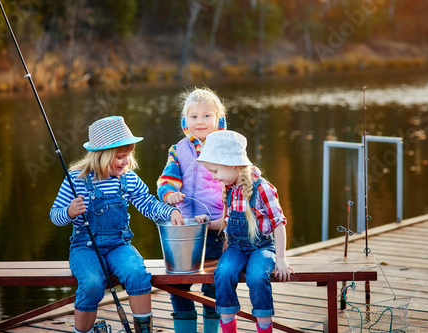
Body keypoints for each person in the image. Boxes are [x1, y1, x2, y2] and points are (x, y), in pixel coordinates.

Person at [50, 116, 184, 333]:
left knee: (137, 274)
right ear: (101, 156)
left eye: (128, 155)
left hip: (119, 245)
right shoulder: (75, 179)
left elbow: (148, 203)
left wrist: (171, 211)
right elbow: (55, 215)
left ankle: (143, 330)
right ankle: (82, 331)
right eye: (120, 157)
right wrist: (69, 212)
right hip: (85, 247)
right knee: (92, 283)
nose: (127, 162)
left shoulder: (128, 179)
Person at [195, 130, 295, 333]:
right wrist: (207, 223)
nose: (214, 178)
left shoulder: (262, 189)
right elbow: (225, 223)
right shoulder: (230, 190)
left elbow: (279, 223)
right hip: (236, 247)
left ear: (232, 164)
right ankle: (228, 326)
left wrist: (282, 259)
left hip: (261, 247)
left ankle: (264, 327)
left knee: (257, 276)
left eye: (215, 171)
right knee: (223, 273)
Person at [157, 87, 227, 333]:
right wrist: (170, 193)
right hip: (186, 227)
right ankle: (185, 328)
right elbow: (167, 179)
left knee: (214, 283)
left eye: (207, 116)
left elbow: (241, 178)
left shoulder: (226, 146)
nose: (200, 122)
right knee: (179, 282)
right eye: (194, 116)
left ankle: (212, 327)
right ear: (185, 120)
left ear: (219, 118)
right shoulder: (179, 149)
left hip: (218, 226)